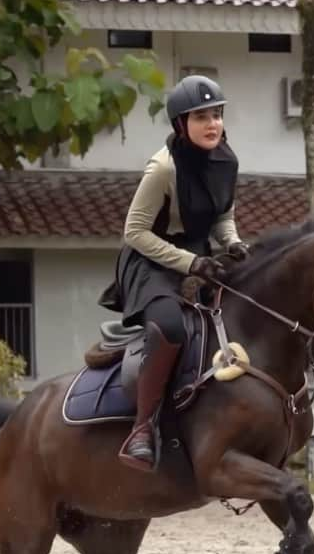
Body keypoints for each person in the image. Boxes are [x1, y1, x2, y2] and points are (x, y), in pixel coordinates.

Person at [99, 74, 249, 471]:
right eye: (201, 117)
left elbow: (224, 218)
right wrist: (189, 263)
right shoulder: (162, 169)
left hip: (198, 256)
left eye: (216, 115)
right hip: (149, 263)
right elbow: (134, 232)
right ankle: (142, 429)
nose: (212, 124)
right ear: (181, 125)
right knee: (173, 326)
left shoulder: (227, 160)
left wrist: (232, 242)